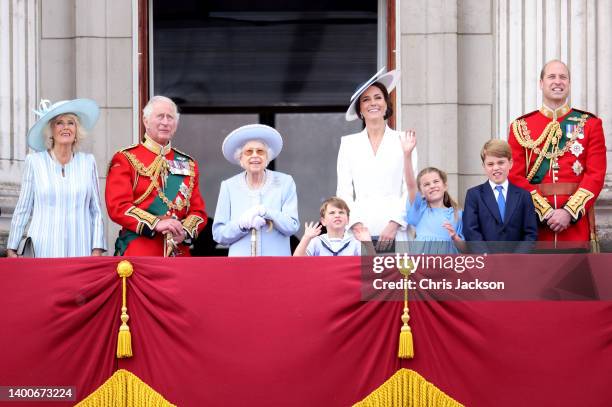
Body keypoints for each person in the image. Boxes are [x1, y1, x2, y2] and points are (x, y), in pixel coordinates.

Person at [507, 60, 606, 249]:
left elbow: (595, 175)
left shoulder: (590, 124)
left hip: (575, 228)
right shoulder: (521, 127)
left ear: (569, 84)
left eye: (563, 77)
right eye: (551, 77)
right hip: (535, 227)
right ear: (541, 83)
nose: (558, 81)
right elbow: (514, 176)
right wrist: (545, 212)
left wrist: (568, 212)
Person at [105, 95, 207, 256]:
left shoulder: (188, 163)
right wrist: (155, 223)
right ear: (146, 121)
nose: (165, 122)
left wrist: (185, 232)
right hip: (140, 250)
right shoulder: (126, 158)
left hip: (178, 253)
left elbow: (198, 212)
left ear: (176, 124)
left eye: (170, 117)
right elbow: (118, 206)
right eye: (160, 116)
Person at [6, 98, 106, 257]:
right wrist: (12, 247)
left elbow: (96, 211)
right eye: (60, 123)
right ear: (51, 130)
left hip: (80, 250)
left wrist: (97, 249)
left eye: (71, 123)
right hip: (43, 250)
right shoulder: (35, 162)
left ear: (77, 130)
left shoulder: (88, 163)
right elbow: (23, 208)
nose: (66, 127)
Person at [337, 67, 417, 251]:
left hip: (396, 229)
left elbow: (410, 189)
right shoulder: (348, 144)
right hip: (360, 230)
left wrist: (395, 223)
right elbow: (344, 191)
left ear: (387, 104)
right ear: (360, 110)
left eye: (378, 97)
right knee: (361, 279)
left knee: (397, 279)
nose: (373, 103)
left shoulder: (404, 139)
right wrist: (355, 224)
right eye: (366, 99)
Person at [212, 124, 299, 256]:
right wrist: (241, 225)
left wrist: (266, 212)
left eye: (260, 151)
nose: (255, 156)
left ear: (267, 157)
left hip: (276, 265)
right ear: (240, 158)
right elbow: (219, 235)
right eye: (248, 152)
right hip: (240, 266)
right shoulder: (228, 186)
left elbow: (292, 226)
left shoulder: (285, 182)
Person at [463, 140, 538, 252]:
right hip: (486, 263)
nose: (496, 168)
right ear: (484, 166)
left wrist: (516, 259)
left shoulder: (524, 196)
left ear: (510, 163)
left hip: (517, 263)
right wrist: (488, 259)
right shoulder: (474, 195)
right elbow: (471, 231)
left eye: (501, 162)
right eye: (490, 164)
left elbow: (530, 233)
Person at [400, 130, 464, 254]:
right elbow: (411, 185)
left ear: (445, 186)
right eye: (427, 184)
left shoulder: (458, 214)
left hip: (448, 267)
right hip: (422, 269)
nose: (432, 186)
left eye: (436, 182)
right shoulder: (420, 210)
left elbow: (466, 249)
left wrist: (455, 237)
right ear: (422, 193)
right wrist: (407, 154)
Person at [293, 197, 372, 256]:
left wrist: (368, 243)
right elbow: (297, 261)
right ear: (323, 221)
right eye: (332, 213)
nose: (337, 215)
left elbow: (372, 266)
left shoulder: (354, 243)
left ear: (348, 220)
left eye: (341, 212)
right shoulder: (316, 242)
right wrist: (306, 238)